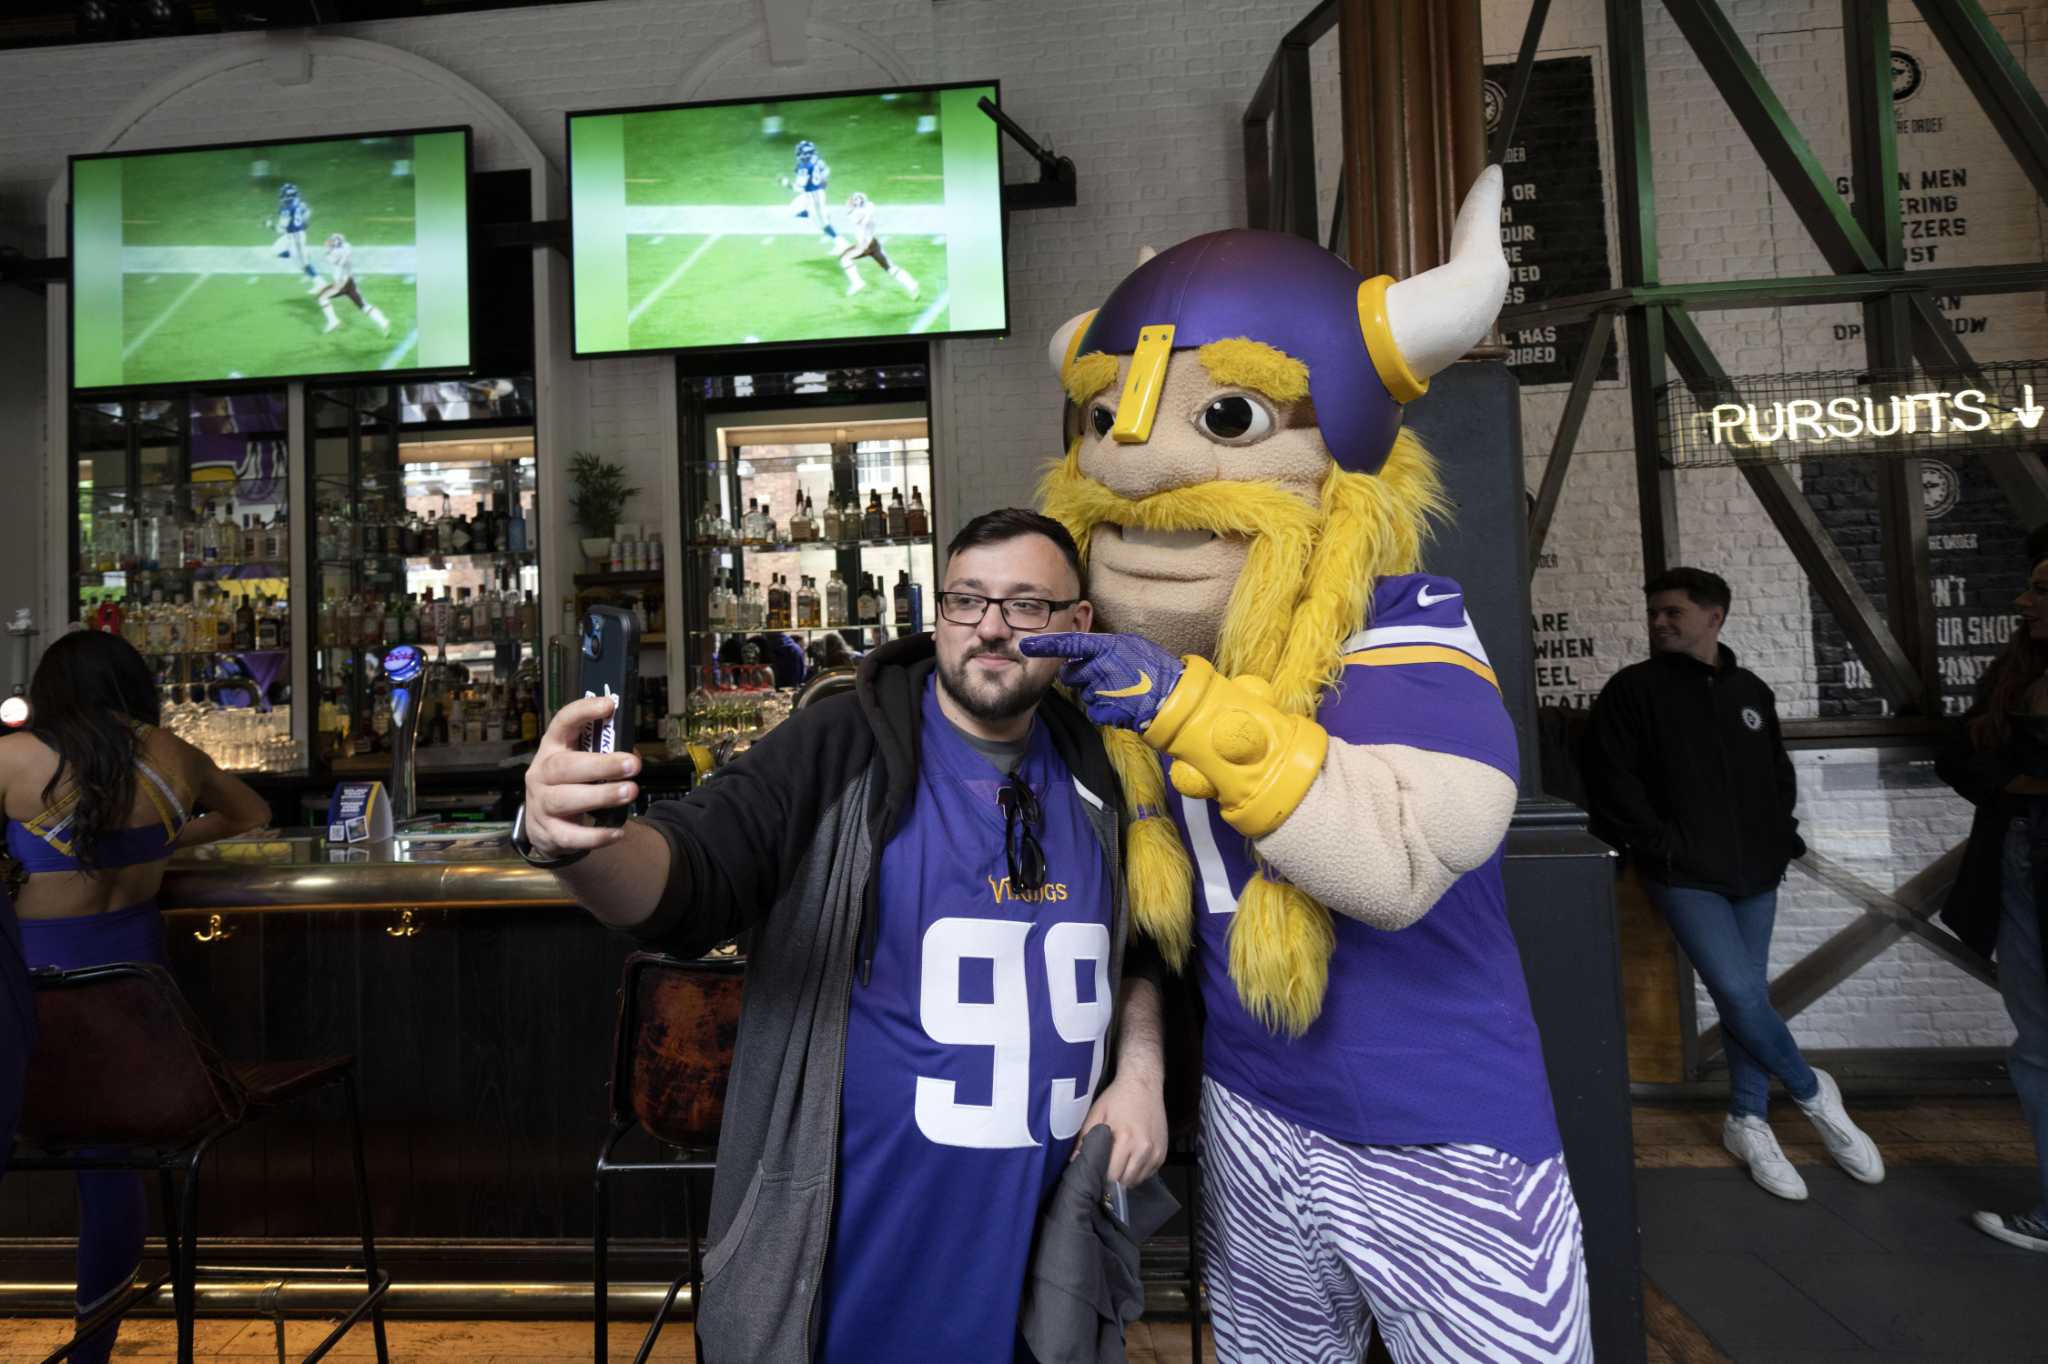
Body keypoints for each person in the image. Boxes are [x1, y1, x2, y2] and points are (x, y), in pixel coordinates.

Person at [516, 508, 1169, 1363]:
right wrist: (576, 842)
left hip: (1046, 1261)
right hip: (855, 1262)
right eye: (968, 601)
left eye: (1027, 606)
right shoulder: (843, 746)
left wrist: (1142, 1071)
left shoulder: (1111, 762)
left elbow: (1149, 942)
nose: (993, 629)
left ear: (1078, 625)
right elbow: (691, 881)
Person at [0, 629, 272, 1363]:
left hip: (34, 1008)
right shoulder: (175, 758)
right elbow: (252, 815)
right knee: (113, 1175)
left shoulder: (15, 759)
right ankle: (93, 1351)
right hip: (137, 1006)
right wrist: (157, 842)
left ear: (52, 688)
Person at [1582, 567, 1884, 1200]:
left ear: (1714, 617)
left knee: (1746, 998)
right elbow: (1611, 781)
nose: (1660, 621)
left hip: (1756, 871)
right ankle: (1812, 1092)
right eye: (1656, 612)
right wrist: (1659, 844)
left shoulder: (1751, 690)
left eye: (1674, 612)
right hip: (1683, 873)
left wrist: (1781, 834)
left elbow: (1776, 772)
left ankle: (1748, 1119)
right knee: (1740, 990)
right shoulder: (1631, 691)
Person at [1934, 530, 2048, 1252]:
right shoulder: (2014, 671)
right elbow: (1955, 751)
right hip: (2022, 863)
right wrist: (2015, 784)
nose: (2023, 598)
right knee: (2038, 1043)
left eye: (2041, 589)